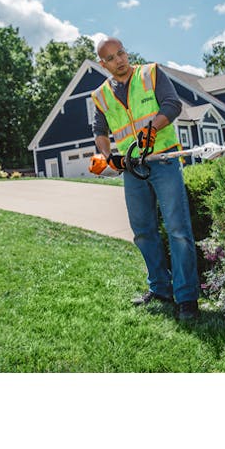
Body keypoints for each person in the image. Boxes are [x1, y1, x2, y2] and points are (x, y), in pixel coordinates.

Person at [88, 37, 200, 321]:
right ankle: (160, 289)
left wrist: (152, 129)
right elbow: (100, 129)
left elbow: (172, 105)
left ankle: (186, 297)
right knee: (142, 231)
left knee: (177, 229)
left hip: (163, 159)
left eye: (121, 53)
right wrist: (106, 155)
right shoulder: (101, 95)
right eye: (111, 58)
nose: (119, 60)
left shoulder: (150, 73)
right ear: (103, 64)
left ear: (127, 53)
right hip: (132, 167)